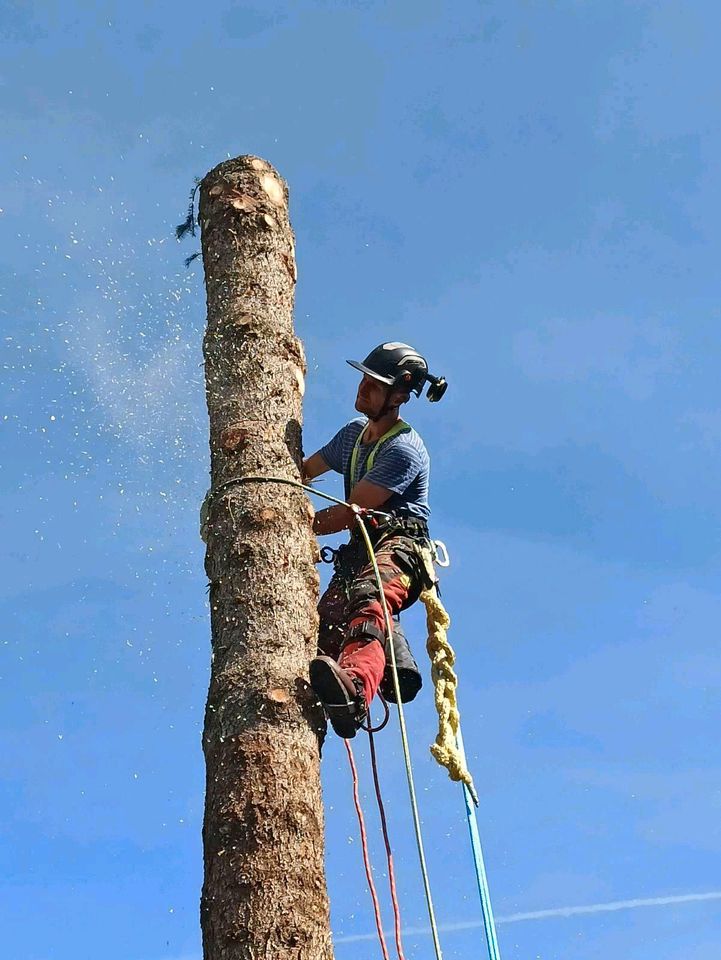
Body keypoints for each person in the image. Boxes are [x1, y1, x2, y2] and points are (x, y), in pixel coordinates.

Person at [302, 342, 447, 738]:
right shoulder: (352, 437)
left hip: (401, 548)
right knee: (323, 624)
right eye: (364, 379)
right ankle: (336, 683)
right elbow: (305, 470)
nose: (363, 389)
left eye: (375, 384)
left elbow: (352, 510)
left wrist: (295, 524)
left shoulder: (403, 449)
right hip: (360, 551)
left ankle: (355, 693)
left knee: (369, 596)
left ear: (399, 395)